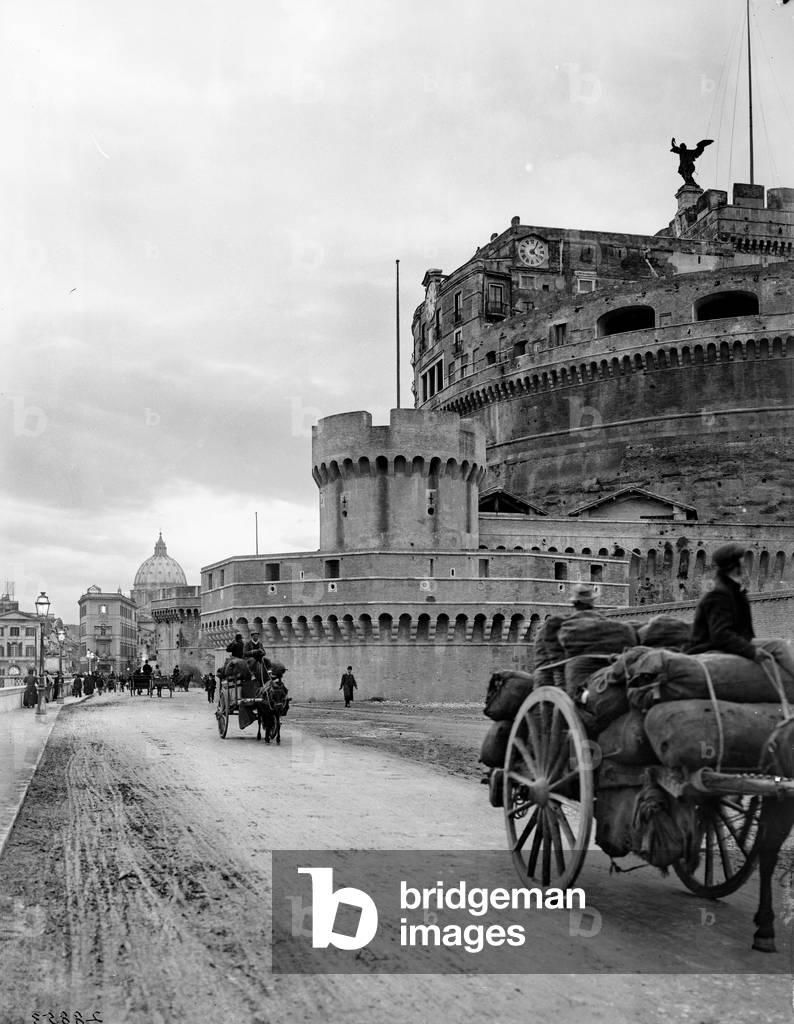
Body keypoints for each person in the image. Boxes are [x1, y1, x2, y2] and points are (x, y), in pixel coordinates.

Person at [687, 542, 759, 660]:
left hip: (736, 643)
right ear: (734, 565)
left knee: (777, 645)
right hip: (709, 649)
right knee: (778, 646)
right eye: (741, 560)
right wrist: (752, 651)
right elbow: (721, 634)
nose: (745, 563)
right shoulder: (718, 594)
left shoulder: (731, 589)